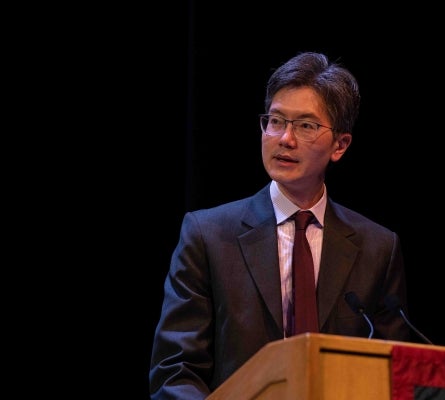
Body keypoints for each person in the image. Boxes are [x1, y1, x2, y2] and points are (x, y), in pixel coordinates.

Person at [149, 51, 412, 399]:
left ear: (340, 145)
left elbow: (394, 374)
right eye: (275, 121)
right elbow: (176, 371)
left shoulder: (377, 248)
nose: (284, 139)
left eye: (306, 125)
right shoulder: (208, 235)